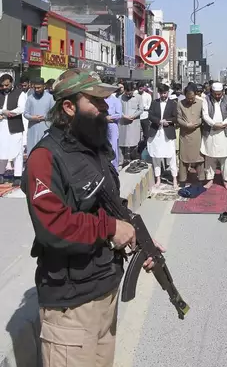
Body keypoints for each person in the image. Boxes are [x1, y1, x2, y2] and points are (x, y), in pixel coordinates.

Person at [20, 68, 161, 367]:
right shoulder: (45, 157)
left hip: (105, 291)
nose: (104, 107)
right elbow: (52, 226)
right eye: (95, 101)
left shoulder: (96, 148)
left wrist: (137, 240)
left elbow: (110, 206)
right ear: (69, 107)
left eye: (104, 100)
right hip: (71, 306)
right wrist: (110, 229)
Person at [201, 82, 227, 189]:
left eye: (219, 94)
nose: (217, 96)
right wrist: (214, 124)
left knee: (226, 157)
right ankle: (210, 179)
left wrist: (223, 124)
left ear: (222, 92)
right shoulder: (206, 99)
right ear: (211, 92)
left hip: (224, 131)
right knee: (210, 156)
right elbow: (205, 115)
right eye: (215, 94)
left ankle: (226, 180)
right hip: (211, 131)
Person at [148, 84, 179, 188]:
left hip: (168, 132)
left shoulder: (173, 104)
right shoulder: (154, 103)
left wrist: (168, 122)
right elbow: (150, 116)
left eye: (165, 93)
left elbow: (175, 118)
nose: (163, 95)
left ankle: (174, 178)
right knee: (156, 156)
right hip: (156, 132)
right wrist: (159, 121)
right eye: (161, 93)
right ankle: (158, 179)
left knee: (171, 156)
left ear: (168, 93)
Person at [0, 74, 26, 186]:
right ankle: (1, 174)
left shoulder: (20, 93)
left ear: (11, 83)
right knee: (2, 150)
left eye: (7, 84)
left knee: (17, 152)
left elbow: (21, 108)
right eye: (3, 85)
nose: (5, 87)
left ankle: (17, 175)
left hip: (14, 125)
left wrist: (9, 113)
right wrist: (2, 112)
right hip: (2, 126)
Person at [177, 85, 205, 186]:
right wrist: (186, 124)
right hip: (185, 134)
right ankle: (183, 179)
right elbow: (179, 118)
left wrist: (196, 124)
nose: (190, 100)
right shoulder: (180, 104)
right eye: (188, 98)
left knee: (199, 157)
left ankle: (201, 178)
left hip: (197, 133)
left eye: (192, 98)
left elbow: (203, 117)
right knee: (183, 157)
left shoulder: (201, 103)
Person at [23, 78, 55, 155]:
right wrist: (32, 118)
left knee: (45, 149)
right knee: (33, 150)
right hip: (32, 129)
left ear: (44, 86)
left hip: (45, 127)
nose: (37, 90)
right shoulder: (30, 98)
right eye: (35, 88)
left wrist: (44, 117)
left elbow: (54, 113)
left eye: (39, 88)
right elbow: (25, 113)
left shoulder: (50, 98)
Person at [118, 82, 143, 167]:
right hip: (123, 124)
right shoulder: (120, 98)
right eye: (126, 92)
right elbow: (117, 110)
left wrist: (133, 116)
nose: (128, 94)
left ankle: (134, 161)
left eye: (130, 92)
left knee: (134, 143)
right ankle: (120, 163)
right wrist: (123, 116)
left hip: (134, 123)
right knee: (121, 143)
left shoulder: (138, 97)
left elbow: (141, 109)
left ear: (133, 90)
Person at [105, 89, 122, 169]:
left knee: (113, 146)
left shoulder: (116, 100)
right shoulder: (101, 100)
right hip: (103, 125)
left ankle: (114, 167)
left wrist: (110, 117)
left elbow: (119, 114)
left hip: (112, 125)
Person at [136, 82, 152, 153]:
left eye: (142, 87)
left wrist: (142, 108)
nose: (140, 88)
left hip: (145, 116)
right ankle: (136, 149)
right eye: (139, 87)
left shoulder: (148, 95)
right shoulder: (134, 95)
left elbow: (149, 106)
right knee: (136, 134)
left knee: (146, 134)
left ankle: (145, 148)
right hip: (136, 117)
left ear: (144, 87)